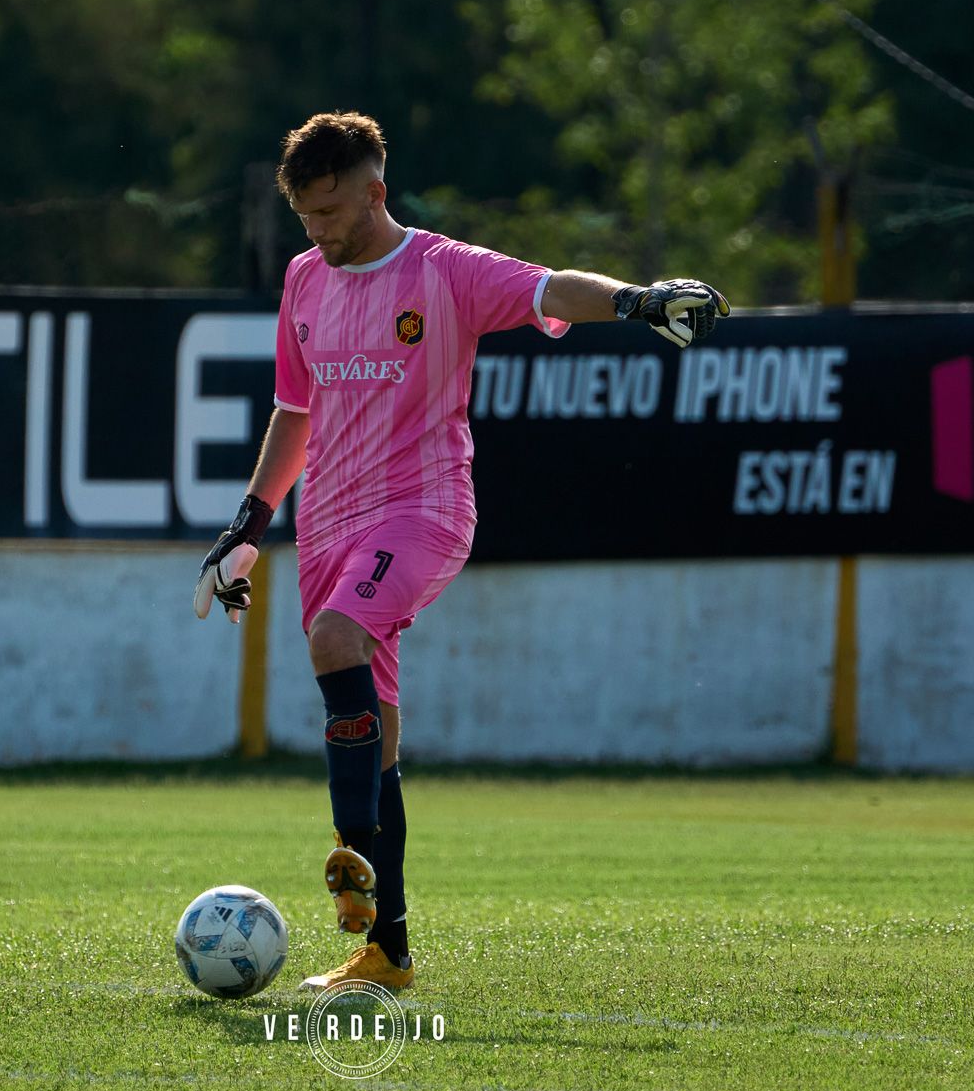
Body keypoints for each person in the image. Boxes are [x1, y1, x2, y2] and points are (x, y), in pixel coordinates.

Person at [194, 111, 728, 992]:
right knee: (380, 736)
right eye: (305, 217)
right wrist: (248, 526)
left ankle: (350, 856)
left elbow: (550, 288)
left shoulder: (443, 270)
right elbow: (296, 412)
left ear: (376, 191)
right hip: (328, 523)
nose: (318, 232)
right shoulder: (302, 279)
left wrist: (634, 300)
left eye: (331, 212)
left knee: (335, 641)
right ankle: (388, 951)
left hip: (423, 509)